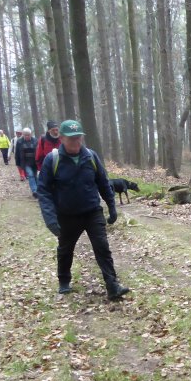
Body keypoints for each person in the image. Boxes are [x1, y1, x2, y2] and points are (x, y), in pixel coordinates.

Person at [37, 120, 130, 300]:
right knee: (65, 249)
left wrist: (111, 207)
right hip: (67, 214)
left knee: (102, 247)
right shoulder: (52, 159)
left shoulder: (91, 156)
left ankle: (112, 286)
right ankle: (64, 281)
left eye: (79, 138)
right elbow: (44, 191)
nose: (76, 142)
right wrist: (50, 218)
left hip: (92, 211)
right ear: (62, 139)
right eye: (72, 139)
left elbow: (103, 183)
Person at [15, 128, 39, 198]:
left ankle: (38, 190)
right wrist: (18, 164)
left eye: (28, 135)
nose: (27, 136)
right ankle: (34, 190)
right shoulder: (19, 141)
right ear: (23, 135)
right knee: (30, 175)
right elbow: (17, 154)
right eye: (25, 135)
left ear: (31, 134)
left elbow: (39, 151)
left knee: (35, 176)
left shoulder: (35, 140)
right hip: (25, 162)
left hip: (35, 162)